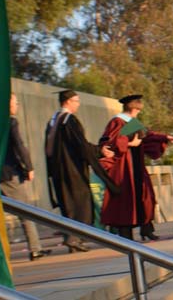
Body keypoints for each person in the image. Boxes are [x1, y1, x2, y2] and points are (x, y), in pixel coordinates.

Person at [45, 89, 116, 252]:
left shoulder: (53, 121)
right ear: (68, 101)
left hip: (57, 171)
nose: (78, 104)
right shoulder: (69, 120)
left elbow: (48, 150)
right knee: (80, 204)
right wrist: (100, 151)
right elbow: (81, 145)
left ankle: (71, 240)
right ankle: (74, 239)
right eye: (76, 101)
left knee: (66, 204)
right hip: (73, 170)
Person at [99, 94, 173, 241]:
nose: (139, 112)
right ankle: (125, 234)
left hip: (137, 167)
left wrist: (164, 138)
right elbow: (111, 142)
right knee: (126, 201)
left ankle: (146, 229)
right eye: (137, 109)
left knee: (145, 197)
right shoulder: (117, 122)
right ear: (132, 108)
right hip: (123, 169)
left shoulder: (133, 123)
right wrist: (129, 144)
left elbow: (148, 136)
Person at [1, 93, 51, 261]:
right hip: (9, 174)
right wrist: (29, 167)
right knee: (26, 212)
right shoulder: (10, 122)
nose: (17, 105)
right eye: (15, 102)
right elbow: (19, 145)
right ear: (8, 104)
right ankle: (35, 249)